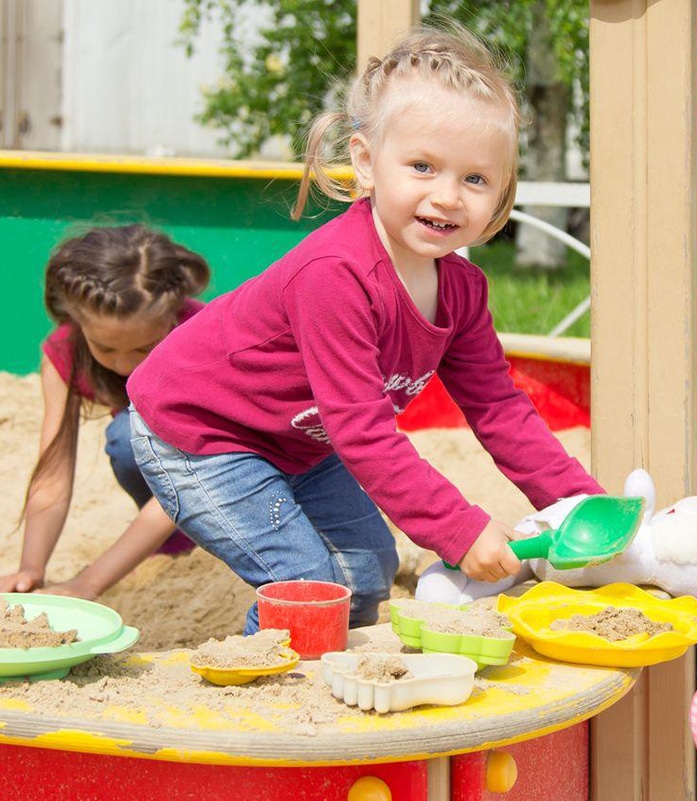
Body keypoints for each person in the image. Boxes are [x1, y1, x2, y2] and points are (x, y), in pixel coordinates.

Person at [126, 24, 606, 634]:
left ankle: (326, 679)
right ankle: (262, 696)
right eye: (423, 167)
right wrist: (459, 528)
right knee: (309, 584)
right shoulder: (336, 275)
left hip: (302, 439)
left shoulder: (461, 289)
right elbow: (365, 432)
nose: (449, 196)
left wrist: (579, 505)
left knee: (369, 571)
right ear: (366, 162)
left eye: (476, 179)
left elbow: (500, 410)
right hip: (202, 433)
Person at [0, 224, 211, 598]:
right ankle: (176, 546)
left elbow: (196, 476)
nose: (123, 365)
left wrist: (88, 583)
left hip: (253, 468)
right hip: (180, 476)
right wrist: (31, 569)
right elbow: (53, 470)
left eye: (143, 349)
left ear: (172, 317)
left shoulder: (203, 338)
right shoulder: (63, 352)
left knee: (130, 436)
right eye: (105, 349)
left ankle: (198, 535)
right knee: (130, 438)